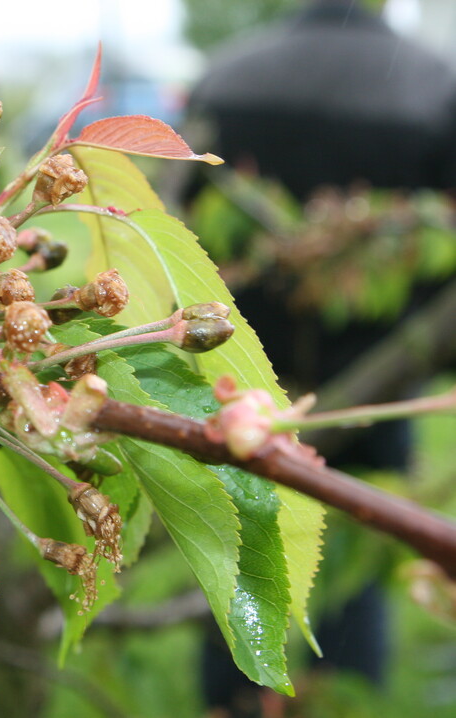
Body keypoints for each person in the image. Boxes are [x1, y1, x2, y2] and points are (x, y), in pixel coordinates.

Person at [186, 1, 456, 714]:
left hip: (236, 372)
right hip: (371, 375)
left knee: (238, 545)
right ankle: (333, 696)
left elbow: (184, 224)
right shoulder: (431, 83)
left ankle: (231, 695)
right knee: (349, 548)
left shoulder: (229, 73)